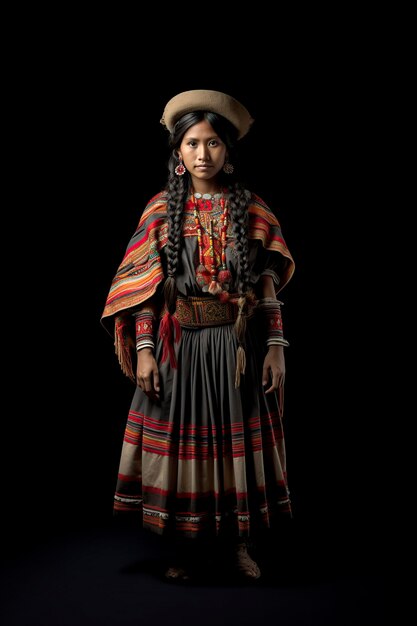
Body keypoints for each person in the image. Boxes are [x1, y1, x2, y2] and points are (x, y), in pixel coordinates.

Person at [101, 89, 295, 582]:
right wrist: (144, 352)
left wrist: (275, 347)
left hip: (236, 352)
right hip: (179, 350)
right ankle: (186, 549)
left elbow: (268, 287)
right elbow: (144, 293)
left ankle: (238, 547)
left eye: (212, 143)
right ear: (178, 153)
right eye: (191, 143)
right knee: (188, 445)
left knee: (233, 447)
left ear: (227, 152)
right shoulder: (160, 212)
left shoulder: (251, 210)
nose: (202, 153)